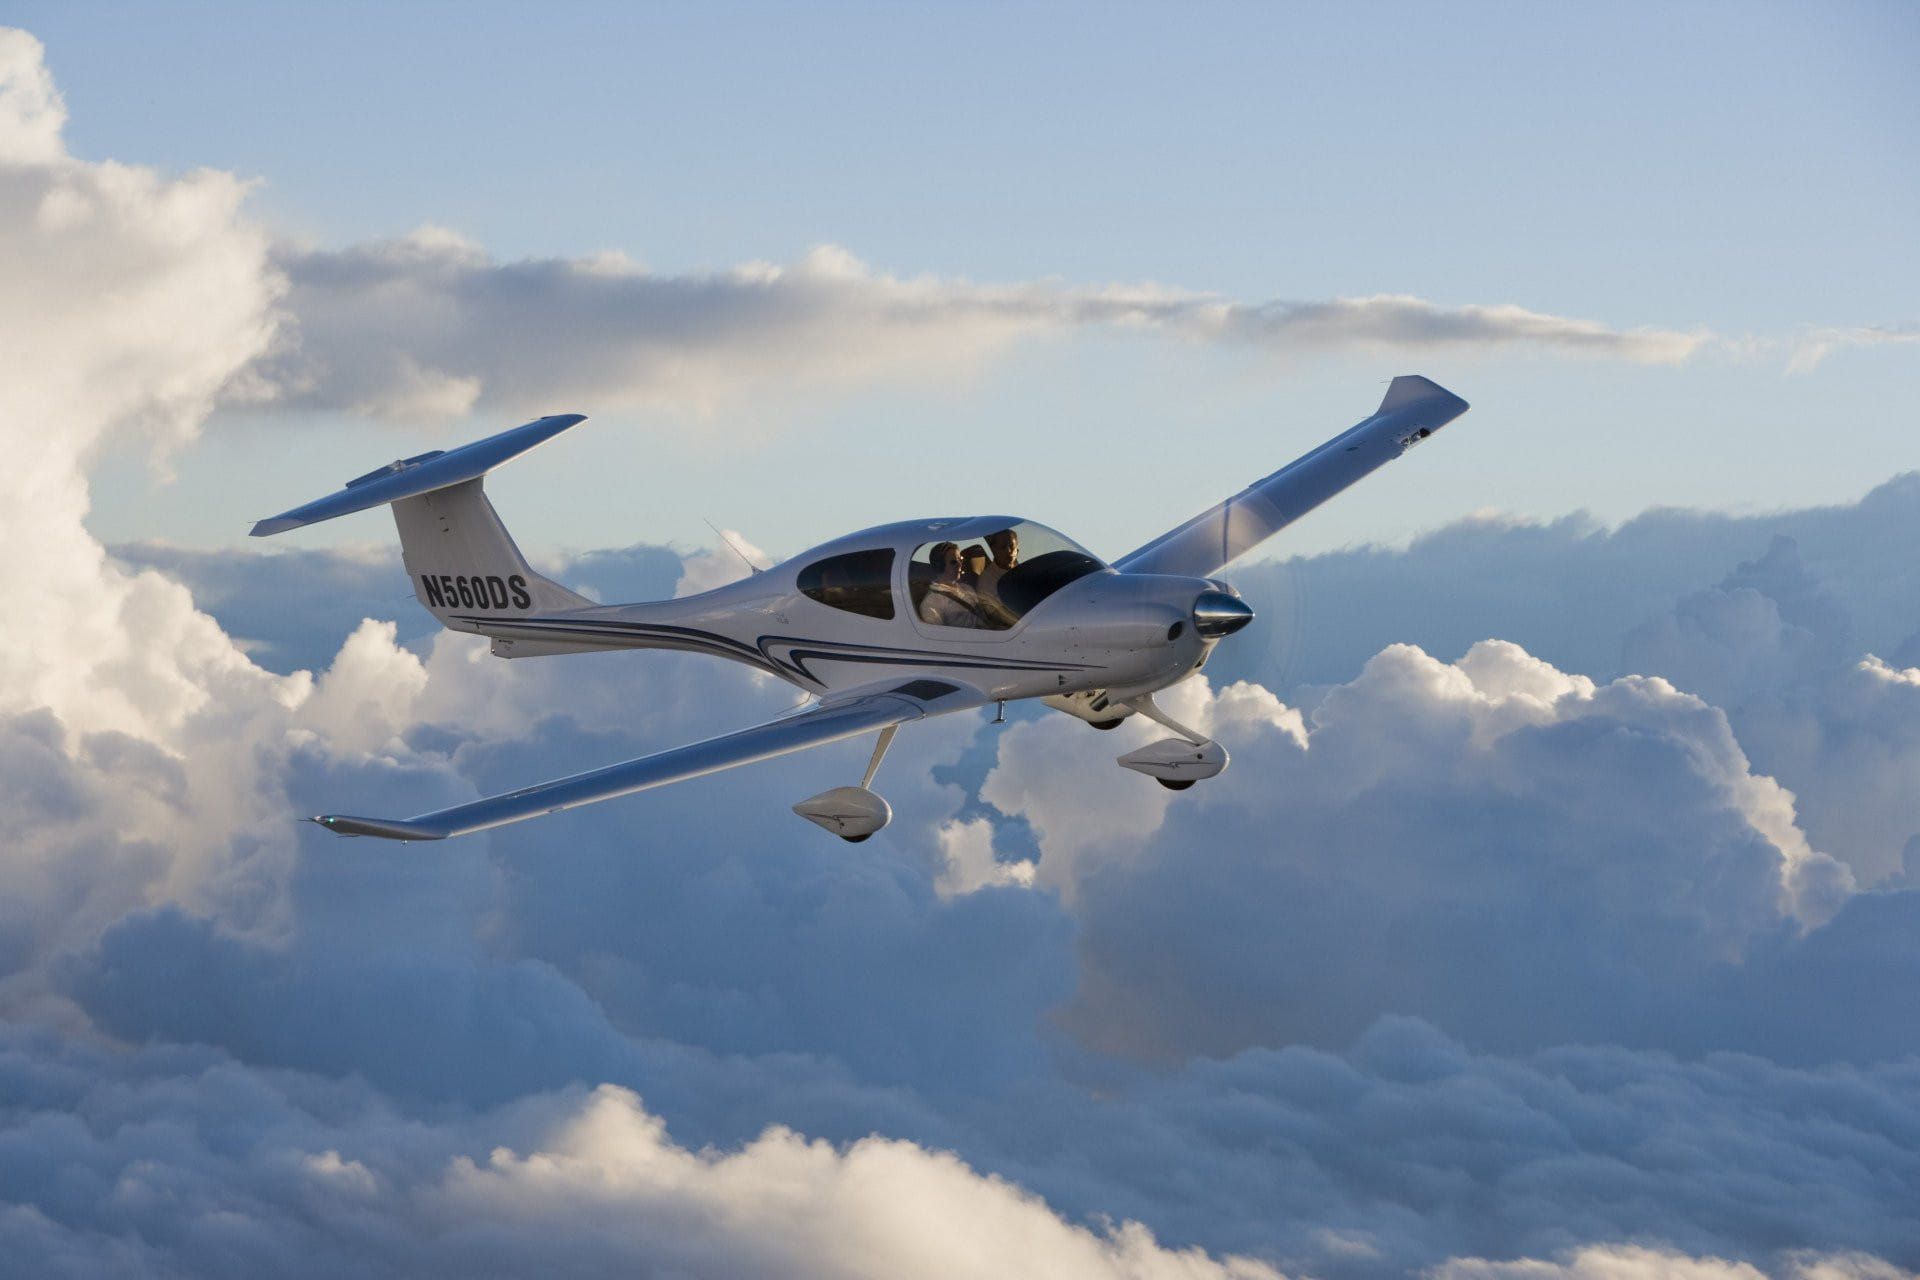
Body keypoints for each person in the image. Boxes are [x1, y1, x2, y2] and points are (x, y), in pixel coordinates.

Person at [918, 541, 986, 628]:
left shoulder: (968, 589)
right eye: (954, 562)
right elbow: (939, 637)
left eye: (960, 560)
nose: (960, 565)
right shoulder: (931, 603)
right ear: (940, 566)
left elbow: (982, 621)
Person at [975, 527, 1019, 601]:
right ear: (994, 550)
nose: (1008, 551)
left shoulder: (1026, 569)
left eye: (1011, 546)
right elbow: (994, 611)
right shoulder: (986, 580)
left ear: (1017, 550)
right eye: (1003, 547)